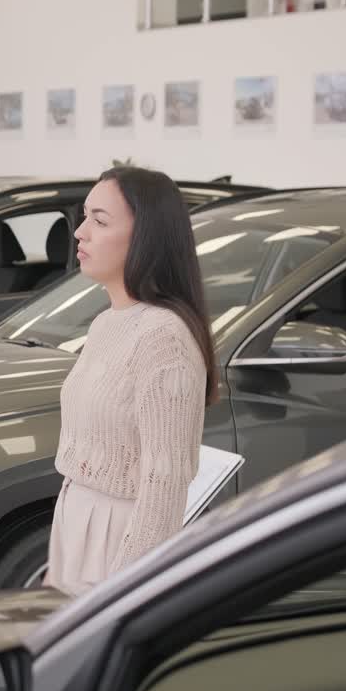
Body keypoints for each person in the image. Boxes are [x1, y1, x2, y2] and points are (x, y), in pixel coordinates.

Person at [45, 166, 218, 596]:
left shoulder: (164, 337)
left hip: (121, 539)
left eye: (100, 221)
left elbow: (165, 483)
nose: (80, 233)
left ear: (146, 238)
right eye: (84, 217)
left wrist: (128, 591)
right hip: (76, 523)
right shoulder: (107, 322)